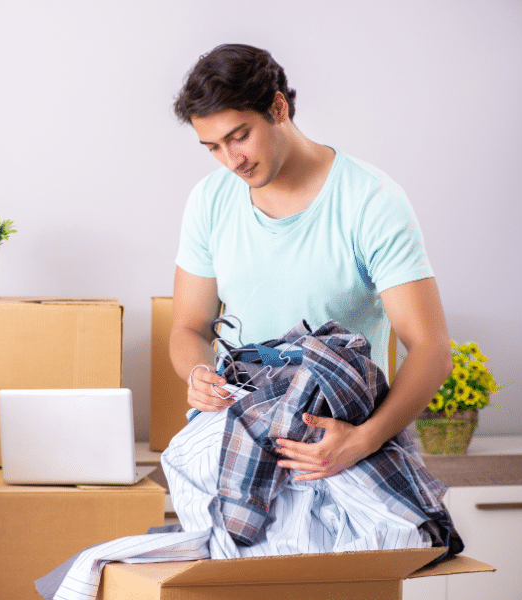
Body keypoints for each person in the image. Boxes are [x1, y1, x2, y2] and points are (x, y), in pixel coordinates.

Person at [169, 43, 453, 482]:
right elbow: (188, 326)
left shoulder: (369, 201)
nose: (231, 160)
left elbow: (431, 349)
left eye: (239, 136)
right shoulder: (210, 200)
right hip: (244, 432)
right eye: (213, 147)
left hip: (342, 438)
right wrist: (199, 374)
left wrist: (363, 440)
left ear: (278, 107)